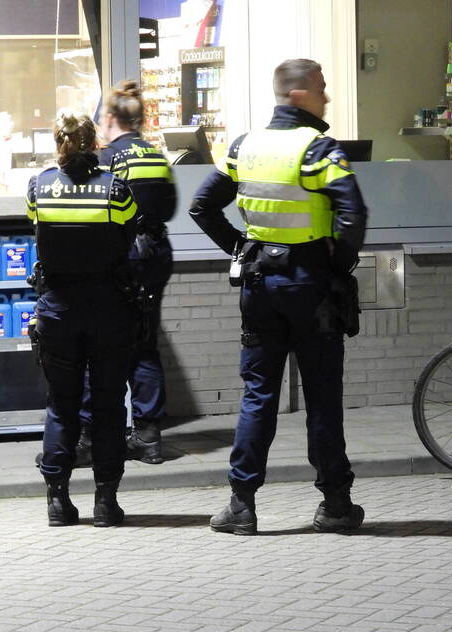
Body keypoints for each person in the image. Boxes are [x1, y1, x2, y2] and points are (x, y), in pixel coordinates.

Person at [189, 58, 369, 535]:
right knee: (323, 398)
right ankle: (334, 505)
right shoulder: (317, 149)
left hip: (259, 286)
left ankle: (241, 506)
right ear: (297, 95)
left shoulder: (244, 147)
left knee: (258, 396)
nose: (326, 96)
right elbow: (353, 212)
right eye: (321, 88)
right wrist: (335, 267)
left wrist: (241, 248)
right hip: (309, 286)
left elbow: (201, 206)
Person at [28, 109, 141, 527]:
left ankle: (57, 501)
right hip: (108, 308)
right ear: (95, 143)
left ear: (57, 144)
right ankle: (105, 502)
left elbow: (37, 231)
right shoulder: (115, 189)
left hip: (58, 310)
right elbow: (130, 234)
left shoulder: (39, 187)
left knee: (62, 404)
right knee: (109, 405)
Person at [76, 79, 177, 468]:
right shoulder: (155, 155)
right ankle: (149, 436)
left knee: (98, 346)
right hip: (155, 255)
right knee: (144, 344)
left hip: (120, 259)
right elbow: (168, 209)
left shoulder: (107, 158)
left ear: (110, 117)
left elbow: (96, 209)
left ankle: (93, 434)